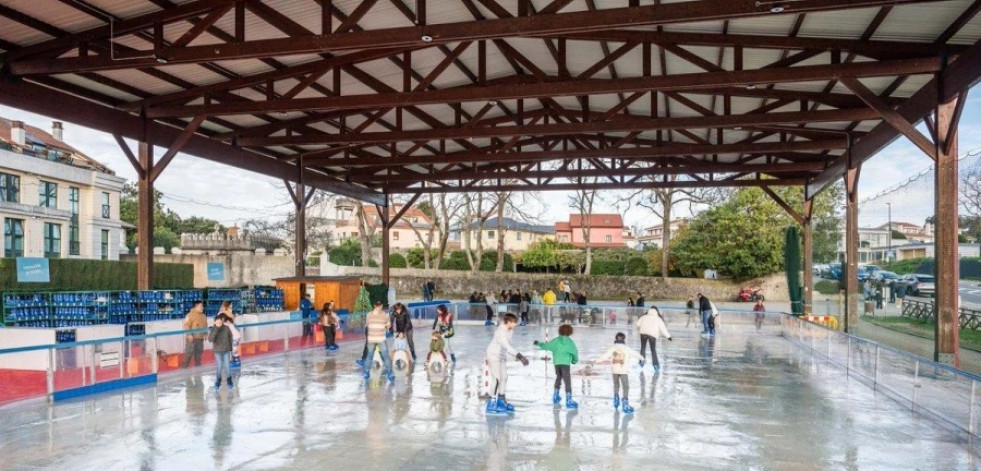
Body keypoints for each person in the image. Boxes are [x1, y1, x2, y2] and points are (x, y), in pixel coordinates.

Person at [485, 313, 530, 414]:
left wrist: (514, 357)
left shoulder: (509, 330)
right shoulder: (500, 332)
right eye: (514, 323)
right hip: (493, 355)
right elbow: (506, 346)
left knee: (504, 377)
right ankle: (491, 403)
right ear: (508, 322)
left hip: (502, 356)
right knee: (497, 379)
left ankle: (501, 401)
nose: (515, 325)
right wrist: (520, 356)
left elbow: (509, 346)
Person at [594, 332, 644, 413]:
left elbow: (604, 356)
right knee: (625, 386)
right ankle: (625, 403)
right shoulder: (626, 348)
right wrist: (642, 358)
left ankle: (616, 398)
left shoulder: (612, 349)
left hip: (614, 371)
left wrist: (596, 361)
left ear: (616, 339)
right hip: (623, 371)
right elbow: (635, 354)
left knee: (616, 385)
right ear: (624, 339)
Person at [534, 324, 580, 409]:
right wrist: (574, 360)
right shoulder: (570, 342)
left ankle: (555, 395)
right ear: (570, 332)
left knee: (558, 377)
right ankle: (569, 400)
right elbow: (574, 353)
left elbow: (546, 346)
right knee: (567, 381)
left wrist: (538, 343)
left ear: (560, 331)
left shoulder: (556, 341)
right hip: (565, 364)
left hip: (557, 364)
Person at [361, 301, 395, 382]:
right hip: (381, 338)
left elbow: (368, 324)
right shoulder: (385, 315)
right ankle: (390, 373)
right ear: (381, 306)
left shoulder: (368, 315)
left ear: (374, 305)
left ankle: (366, 373)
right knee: (385, 356)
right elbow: (389, 325)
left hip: (371, 338)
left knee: (369, 356)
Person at [636, 306, 672, 373]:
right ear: (656, 311)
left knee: (643, 348)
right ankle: (655, 365)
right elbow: (663, 329)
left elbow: (637, 324)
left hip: (643, 333)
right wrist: (668, 336)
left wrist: (643, 325)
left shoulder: (644, 316)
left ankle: (641, 362)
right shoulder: (658, 318)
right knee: (653, 350)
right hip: (652, 335)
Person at [208, 313, 235, 390]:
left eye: (220, 323)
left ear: (222, 322)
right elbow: (210, 339)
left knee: (227, 366)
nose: (219, 324)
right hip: (218, 351)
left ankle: (229, 381)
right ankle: (218, 382)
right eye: (217, 323)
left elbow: (231, 337)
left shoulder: (226, 328)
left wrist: (230, 348)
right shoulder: (213, 329)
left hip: (226, 350)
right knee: (219, 366)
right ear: (215, 322)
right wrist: (215, 330)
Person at [180, 300, 207, 368]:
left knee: (198, 355)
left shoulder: (203, 316)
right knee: (189, 354)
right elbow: (186, 325)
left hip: (200, 339)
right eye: (200, 306)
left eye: (202, 306)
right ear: (195, 307)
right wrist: (189, 334)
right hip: (192, 339)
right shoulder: (189, 315)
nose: (202, 308)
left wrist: (206, 334)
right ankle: (184, 368)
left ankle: (198, 370)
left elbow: (205, 325)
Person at [219, 301, 242, 368]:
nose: (231, 309)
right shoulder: (224, 314)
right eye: (229, 307)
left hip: (235, 337)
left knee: (233, 349)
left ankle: (236, 360)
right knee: (232, 349)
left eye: (231, 307)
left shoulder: (227, 317)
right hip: (233, 337)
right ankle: (234, 360)